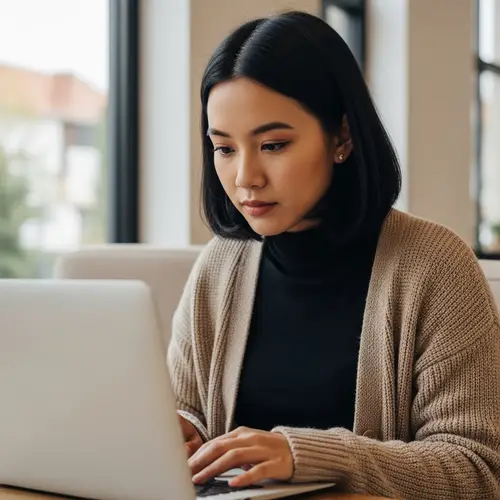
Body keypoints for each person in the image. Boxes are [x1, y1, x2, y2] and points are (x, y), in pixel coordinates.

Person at [167, 10, 500, 499]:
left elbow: (477, 469)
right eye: (225, 149)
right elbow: (190, 410)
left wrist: (306, 455)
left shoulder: (434, 266)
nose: (245, 178)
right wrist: (184, 430)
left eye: (273, 144)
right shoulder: (219, 267)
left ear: (341, 137)